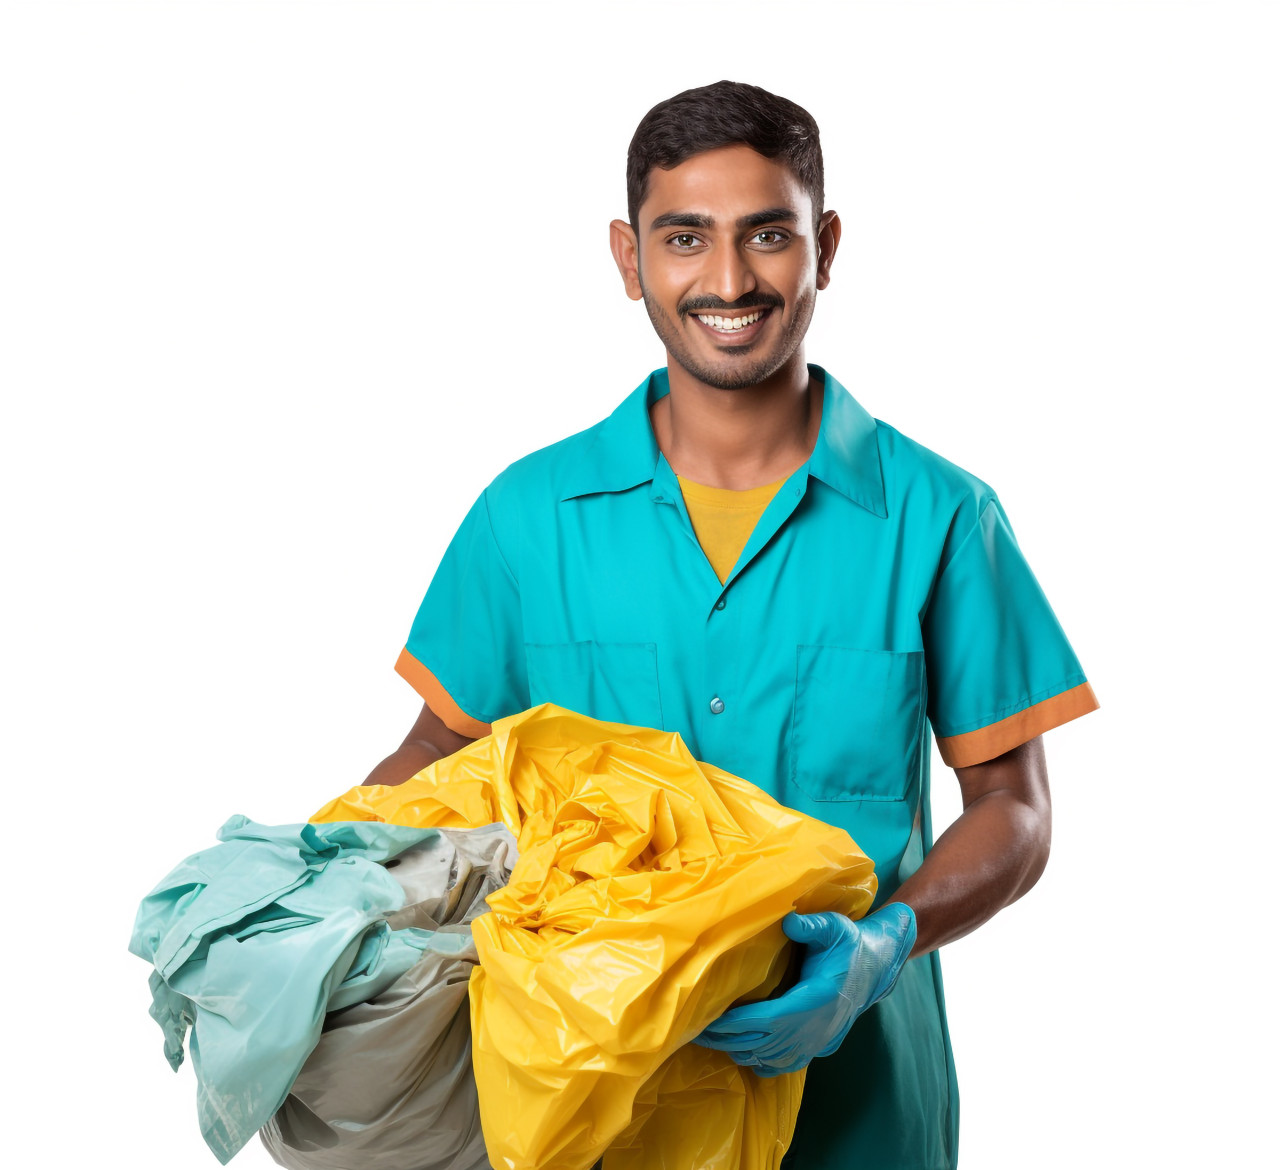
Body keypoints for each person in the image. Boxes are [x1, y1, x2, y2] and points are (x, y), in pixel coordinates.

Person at [363, 79, 1099, 1170]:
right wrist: (329, 886)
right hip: (586, 1109)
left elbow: (1013, 808)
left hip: (860, 1114)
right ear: (628, 259)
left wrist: (886, 940)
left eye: (766, 235)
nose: (726, 280)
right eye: (682, 237)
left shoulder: (941, 516)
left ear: (824, 246)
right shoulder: (525, 518)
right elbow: (438, 754)